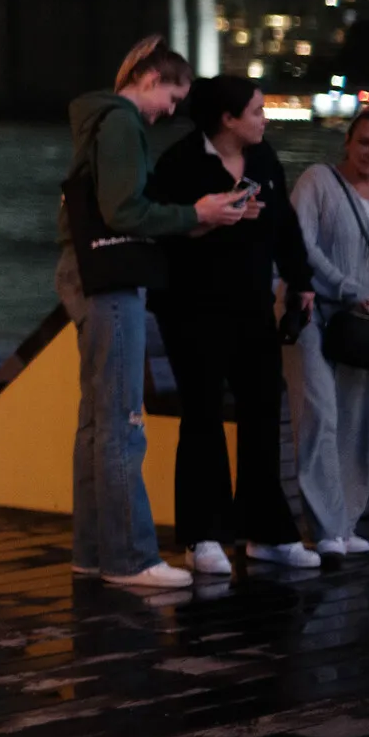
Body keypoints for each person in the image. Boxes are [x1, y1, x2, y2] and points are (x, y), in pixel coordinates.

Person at [58, 35, 258, 593]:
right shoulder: (122, 122)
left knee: (97, 422)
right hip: (111, 279)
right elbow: (124, 209)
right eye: (171, 97)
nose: (172, 111)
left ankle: (94, 553)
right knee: (122, 422)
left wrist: (205, 217)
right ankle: (130, 558)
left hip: (85, 271)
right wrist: (196, 210)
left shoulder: (97, 119)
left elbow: (118, 208)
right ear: (148, 80)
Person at [151, 75, 317, 574]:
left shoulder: (264, 159)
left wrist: (300, 280)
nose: (264, 118)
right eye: (256, 111)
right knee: (202, 417)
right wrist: (210, 221)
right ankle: (203, 537)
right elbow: (158, 230)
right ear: (227, 118)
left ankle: (267, 534)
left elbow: (285, 227)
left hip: (251, 307)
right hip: (192, 309)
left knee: (263, 414)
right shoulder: (180, 163)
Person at [289, 108, 369, 556]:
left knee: (356, 419)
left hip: (360, 324)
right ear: (347, 141)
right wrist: (349, 288)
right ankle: (322, 527)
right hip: (309, 312)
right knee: (319, 413)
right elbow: (302, 246)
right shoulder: (317, 181)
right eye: (365, 142)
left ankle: (345, 520)